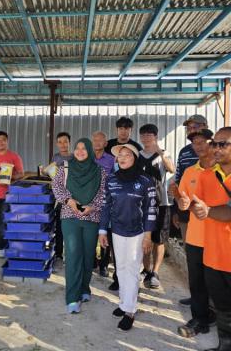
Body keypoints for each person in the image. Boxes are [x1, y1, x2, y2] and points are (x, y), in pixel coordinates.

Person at [179, 127, 231, 351]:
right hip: (212, 254)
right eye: (215, 143)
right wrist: (186, 205)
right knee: (222, 307)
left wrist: (207, 211)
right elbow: (194, 203)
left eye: (223, 144)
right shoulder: (206, 175)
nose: (216, 148)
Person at [99, 144, 156, 331]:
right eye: (120, 155)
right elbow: (106, 206)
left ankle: (130, 311)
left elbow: (151, 209)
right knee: (121, 268)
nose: (122, 158)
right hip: (117, 230)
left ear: (135, 158)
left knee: (132, 269)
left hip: (137, 232)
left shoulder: (146, 180)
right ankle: (124, 303)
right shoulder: (111, 179)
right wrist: (102, 231)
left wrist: (148, 235)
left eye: (127, 155)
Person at [52, 138, 106, 314]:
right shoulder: (65, 168)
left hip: (91, 217)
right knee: (74, 255)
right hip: (70, 215)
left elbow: (103, 193)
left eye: (84, 148)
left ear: (90, 151)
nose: (80, 151)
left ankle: (84, 288)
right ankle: (72, 297)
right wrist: (69, 201)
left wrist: (92, 207)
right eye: (77, 148)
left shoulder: (100, 171)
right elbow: (56, 186)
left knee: (88, 256)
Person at [174, 129, 216, 338]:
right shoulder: (190, 172)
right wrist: (181, 203)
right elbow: (183, 201)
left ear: (214, 143)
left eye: (203, 142)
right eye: (195, 143)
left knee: (220, 283)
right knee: (197, 281)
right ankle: (200, 318)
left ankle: (216, 317)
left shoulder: (223, 170)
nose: (198, 146)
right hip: (195, 237)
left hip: (220, 239)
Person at [173, 114, 208, 306]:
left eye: (194, 127)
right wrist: (177, 211)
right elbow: (179, 181)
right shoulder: (185, 152)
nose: (191, 130)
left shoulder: (214, 151)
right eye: (188, 128)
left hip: (211, 214)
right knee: (191, 256)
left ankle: (212, 299)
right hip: (188, 213)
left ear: (205, 127)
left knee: (209, 259)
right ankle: (197, 296)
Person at [138, 124, 175, 289]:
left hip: (162, 203)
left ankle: (155, 272)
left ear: (155, 136)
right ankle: (145, 270)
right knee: (144, 240)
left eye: (149, 135)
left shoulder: (163, 153)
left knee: (159, 240)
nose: (146, 138)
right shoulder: (137, 155)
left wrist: (160, 152)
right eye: (143, 135)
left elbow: (172, 169)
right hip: (142, 203)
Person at [92, 131, 115, 279]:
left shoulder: (112, 160)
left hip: (107, 201)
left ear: (105, 143)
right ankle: (92, 261)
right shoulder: (86, 159)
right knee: (91, 233)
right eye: (95, 140)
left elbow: (116, 179)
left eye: (100, 140)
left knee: (104, 233)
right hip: (90, 202)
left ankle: (104, 265)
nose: (97, 143)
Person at [51, 132, 72, 265]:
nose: (63, 144)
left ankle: (71, 254)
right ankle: (58, 254)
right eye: (60, 142)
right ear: (57, 144)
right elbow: (53, 175)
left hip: (73, 198)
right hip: (59, 198)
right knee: (59, 227)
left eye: (65, 141)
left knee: (71, 228)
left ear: (69, 142)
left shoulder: (75, 157)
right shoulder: (56, 157)